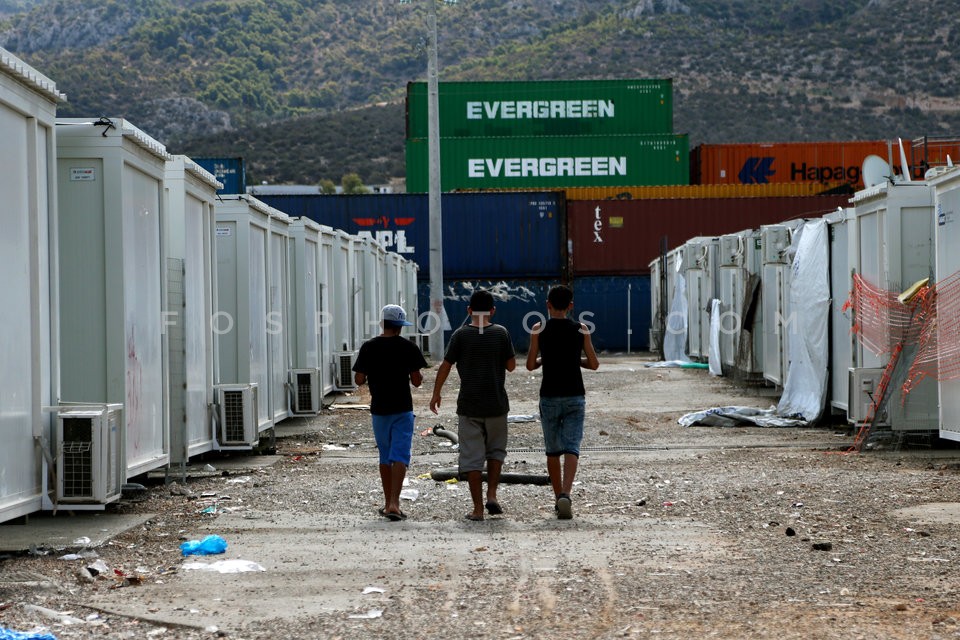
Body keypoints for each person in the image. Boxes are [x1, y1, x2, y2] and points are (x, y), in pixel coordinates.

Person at [430, 289, 516, 521]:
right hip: (497, 404)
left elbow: (446, 366)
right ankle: (492, 496)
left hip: (469, 406)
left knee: (472, 458)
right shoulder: (501, 333)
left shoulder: (460, 335)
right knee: (496, 452)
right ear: (493, 311)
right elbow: (511, 366)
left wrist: (436, 393)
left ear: (469, 310)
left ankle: (477, 509)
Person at [525, 284, 599, 520]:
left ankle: (558, 498)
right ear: (570, 306)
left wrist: (544, 359)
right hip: (575, 394)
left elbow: (529, 365)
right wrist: (575, 361)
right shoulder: (582, 329)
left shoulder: (538, 328)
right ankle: (567, 492)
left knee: (552, 449)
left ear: (547, 305)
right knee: (572, 447)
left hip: (549, 395)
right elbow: (594, 364)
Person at [353, 304, 429, 521]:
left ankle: (388, 503)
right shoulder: (409, 347)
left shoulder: (369, 347)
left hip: (379, 410)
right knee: (401, 455)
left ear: (382, 323)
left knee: (385, 456)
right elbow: (416, 381)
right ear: (400, 327)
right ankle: (395, 503)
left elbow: (359, 379)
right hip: (402, 408)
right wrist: (417, 376)